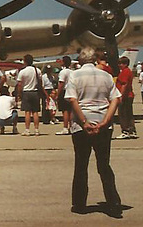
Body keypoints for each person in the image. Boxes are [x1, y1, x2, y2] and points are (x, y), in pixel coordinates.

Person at [64, 47, 122, 217]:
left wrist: (83, 122)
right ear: (95, 60)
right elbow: (115, 99)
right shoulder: (105, 75)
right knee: (104, 165)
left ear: (80, 60)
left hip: (81, 126)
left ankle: (80, 203)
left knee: (81, 165)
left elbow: (72, 99)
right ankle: (113, 203)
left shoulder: (74, 75)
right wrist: (105, 121)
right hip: (103, 124)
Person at [17, 54, 42, 136]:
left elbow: (20, 84)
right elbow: (40, 82)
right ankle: (36, 129)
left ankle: (27, 130)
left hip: (26, 92)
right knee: (35, 112)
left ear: (25, 61)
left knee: (27, 112)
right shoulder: (37, 70)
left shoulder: (23, 71)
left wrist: (19, 94)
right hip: (35, 92)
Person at [114, 57, 137, 139]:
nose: (119, 65)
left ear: (126, 64)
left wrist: (120, 95)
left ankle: (125, 131)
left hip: (125, 96)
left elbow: (124, 84)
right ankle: (132, 130)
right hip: (129, 95)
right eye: (119, 63)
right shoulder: (128, 71)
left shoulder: (124, 72)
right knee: (129, 114)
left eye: (121, 64)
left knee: (122, 114)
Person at [56, 56, 73, 135]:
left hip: (65, 91)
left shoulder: (63, 72)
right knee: (70, 111)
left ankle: (65, 127)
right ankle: (71, 127)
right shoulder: (72, 71)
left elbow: (61, 83)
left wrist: (58, 94)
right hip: (71, 91)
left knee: (65, 111)